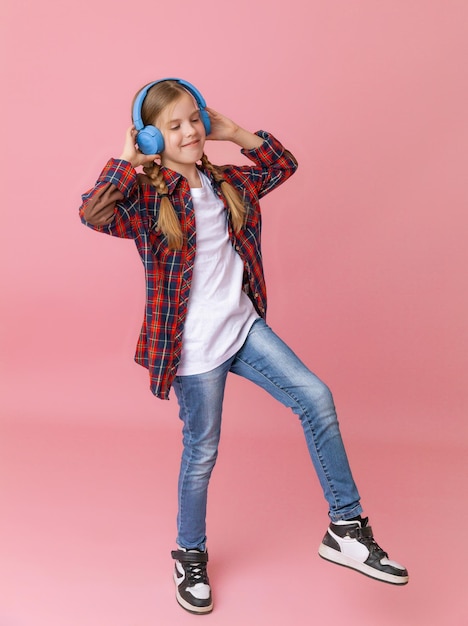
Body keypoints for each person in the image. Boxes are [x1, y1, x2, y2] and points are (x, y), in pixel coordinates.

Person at [79, 78, 408, 615]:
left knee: (316, 398)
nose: (189, 131)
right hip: (192, 349)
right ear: (151, 137)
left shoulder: (227, 182)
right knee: (202, 452)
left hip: (243, 328)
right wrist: (126, 159)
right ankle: (190, 553)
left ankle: (346, 529)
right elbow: (93, 213)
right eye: (173, 125)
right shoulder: (142, 199)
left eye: (194, 119)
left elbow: (282, 165)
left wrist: (232, 131)